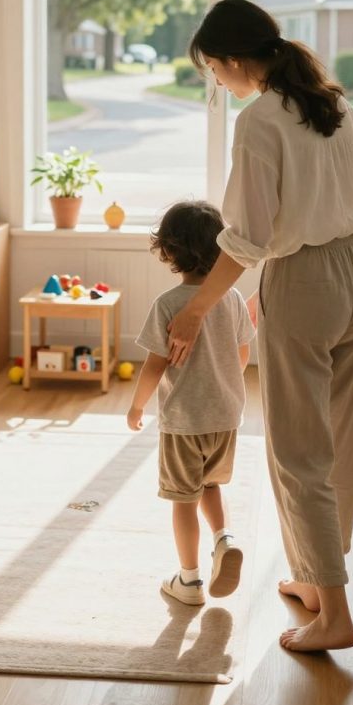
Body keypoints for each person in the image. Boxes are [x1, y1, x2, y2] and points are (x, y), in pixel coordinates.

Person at [167, 0, 353, 653]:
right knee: (339, 440)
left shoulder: (258, 119)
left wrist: (195, 308)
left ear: (234, 60)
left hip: (304, 281)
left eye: (213, 69)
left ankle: (334, 614)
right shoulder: (334, 105)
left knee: (297, 453)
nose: (216, 80)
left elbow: (247, 238)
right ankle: (315, 582)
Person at [127, 200, 255, 606]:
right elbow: (243, 354)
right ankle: (224, 538)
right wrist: (224, 382)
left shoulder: (168, 304)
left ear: (168, 249)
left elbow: (154, 366)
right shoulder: (232, 298)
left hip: (184, 422)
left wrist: (137, 406)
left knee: (183, 499)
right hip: (226, 416)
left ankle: (189, 580)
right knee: (210, 485)